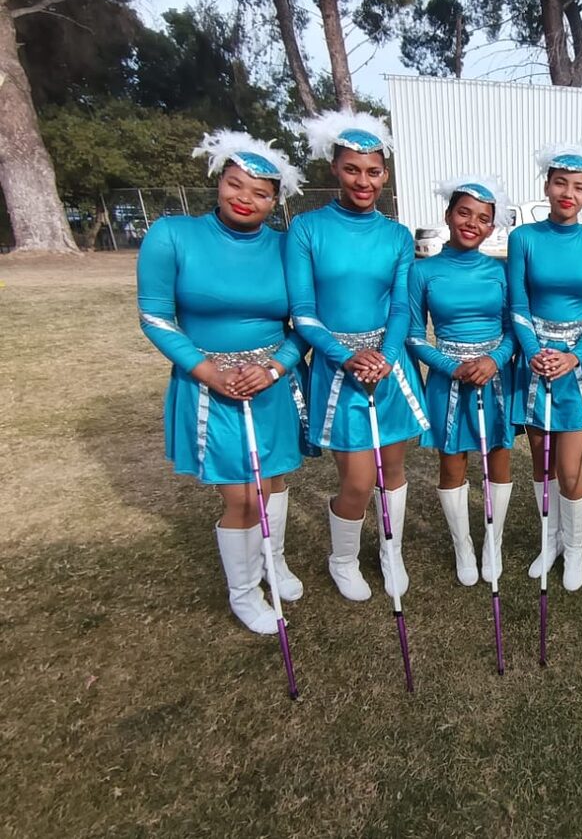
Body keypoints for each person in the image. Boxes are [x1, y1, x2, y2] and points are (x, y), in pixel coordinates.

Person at [137, 131, 309, 633]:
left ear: (275, 199)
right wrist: (208, 371)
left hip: (271, 382)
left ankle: (272, 561)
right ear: (219, 182)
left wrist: (277, 365)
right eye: (236, 185)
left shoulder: (287, 246)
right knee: (242, 496)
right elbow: (155, 316)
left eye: (260, 193)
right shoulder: (171, 234)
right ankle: (243, 590)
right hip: (209, 384)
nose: (245, 198)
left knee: (273, 481)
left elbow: (307, 323)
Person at [285, 110, 430, 602]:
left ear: (385, 174)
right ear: (335, 169)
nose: (363, 181)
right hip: (337, 366)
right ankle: (342, 557)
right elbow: (302, 313)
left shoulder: (396, 235)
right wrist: (345, 357)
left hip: (388, 367)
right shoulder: (305, 229)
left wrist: (387, 355)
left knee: (393, 471)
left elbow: (400, 307)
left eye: (373, 171)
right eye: (352, 169)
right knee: (358, 480)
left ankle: (391, 550)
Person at [507, 143, 582, 591]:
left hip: (576, 365)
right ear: (546, 186)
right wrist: (534, 351)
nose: (568, 193)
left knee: (569, 470)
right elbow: (517, 303)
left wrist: (573, 356)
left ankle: (575, 548)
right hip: (534, 362)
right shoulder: (523, 238)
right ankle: (549, 540)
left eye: (579, 187)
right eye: (560, 183)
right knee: (540, 461)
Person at [409, 176, 516, 585]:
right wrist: (450, 366)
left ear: (492, 226)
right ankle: (463, 546)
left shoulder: (502, 271)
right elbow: (415, 336)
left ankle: (493, 541)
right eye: (464, 213)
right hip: (446, 377)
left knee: (499, 461)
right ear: (448, 215)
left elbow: (512, 329)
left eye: (483, 218)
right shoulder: (422, 271)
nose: (472, 223)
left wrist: (494, 359)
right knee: (452, 463)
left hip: (495, 376)